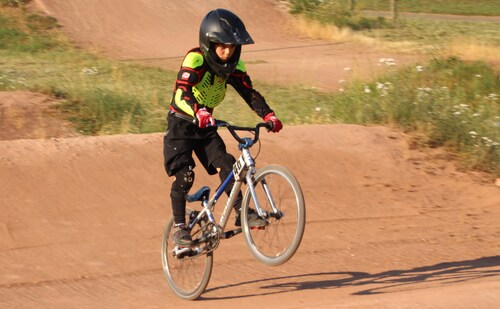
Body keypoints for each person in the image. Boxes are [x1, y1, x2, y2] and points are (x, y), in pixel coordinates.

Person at [163, 8, 283, 246]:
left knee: (228, 165)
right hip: (181, 127)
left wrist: (268, 114)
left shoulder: (234, 67)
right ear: (209, 43)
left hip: (206, 127)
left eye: (232, 46)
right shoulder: (195, 59)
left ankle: (242, 212)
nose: (228, 52)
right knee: (185, 176)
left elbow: (249, 92)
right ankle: (180, 228)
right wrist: (198, 110)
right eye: (222, 45)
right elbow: (181, 93)